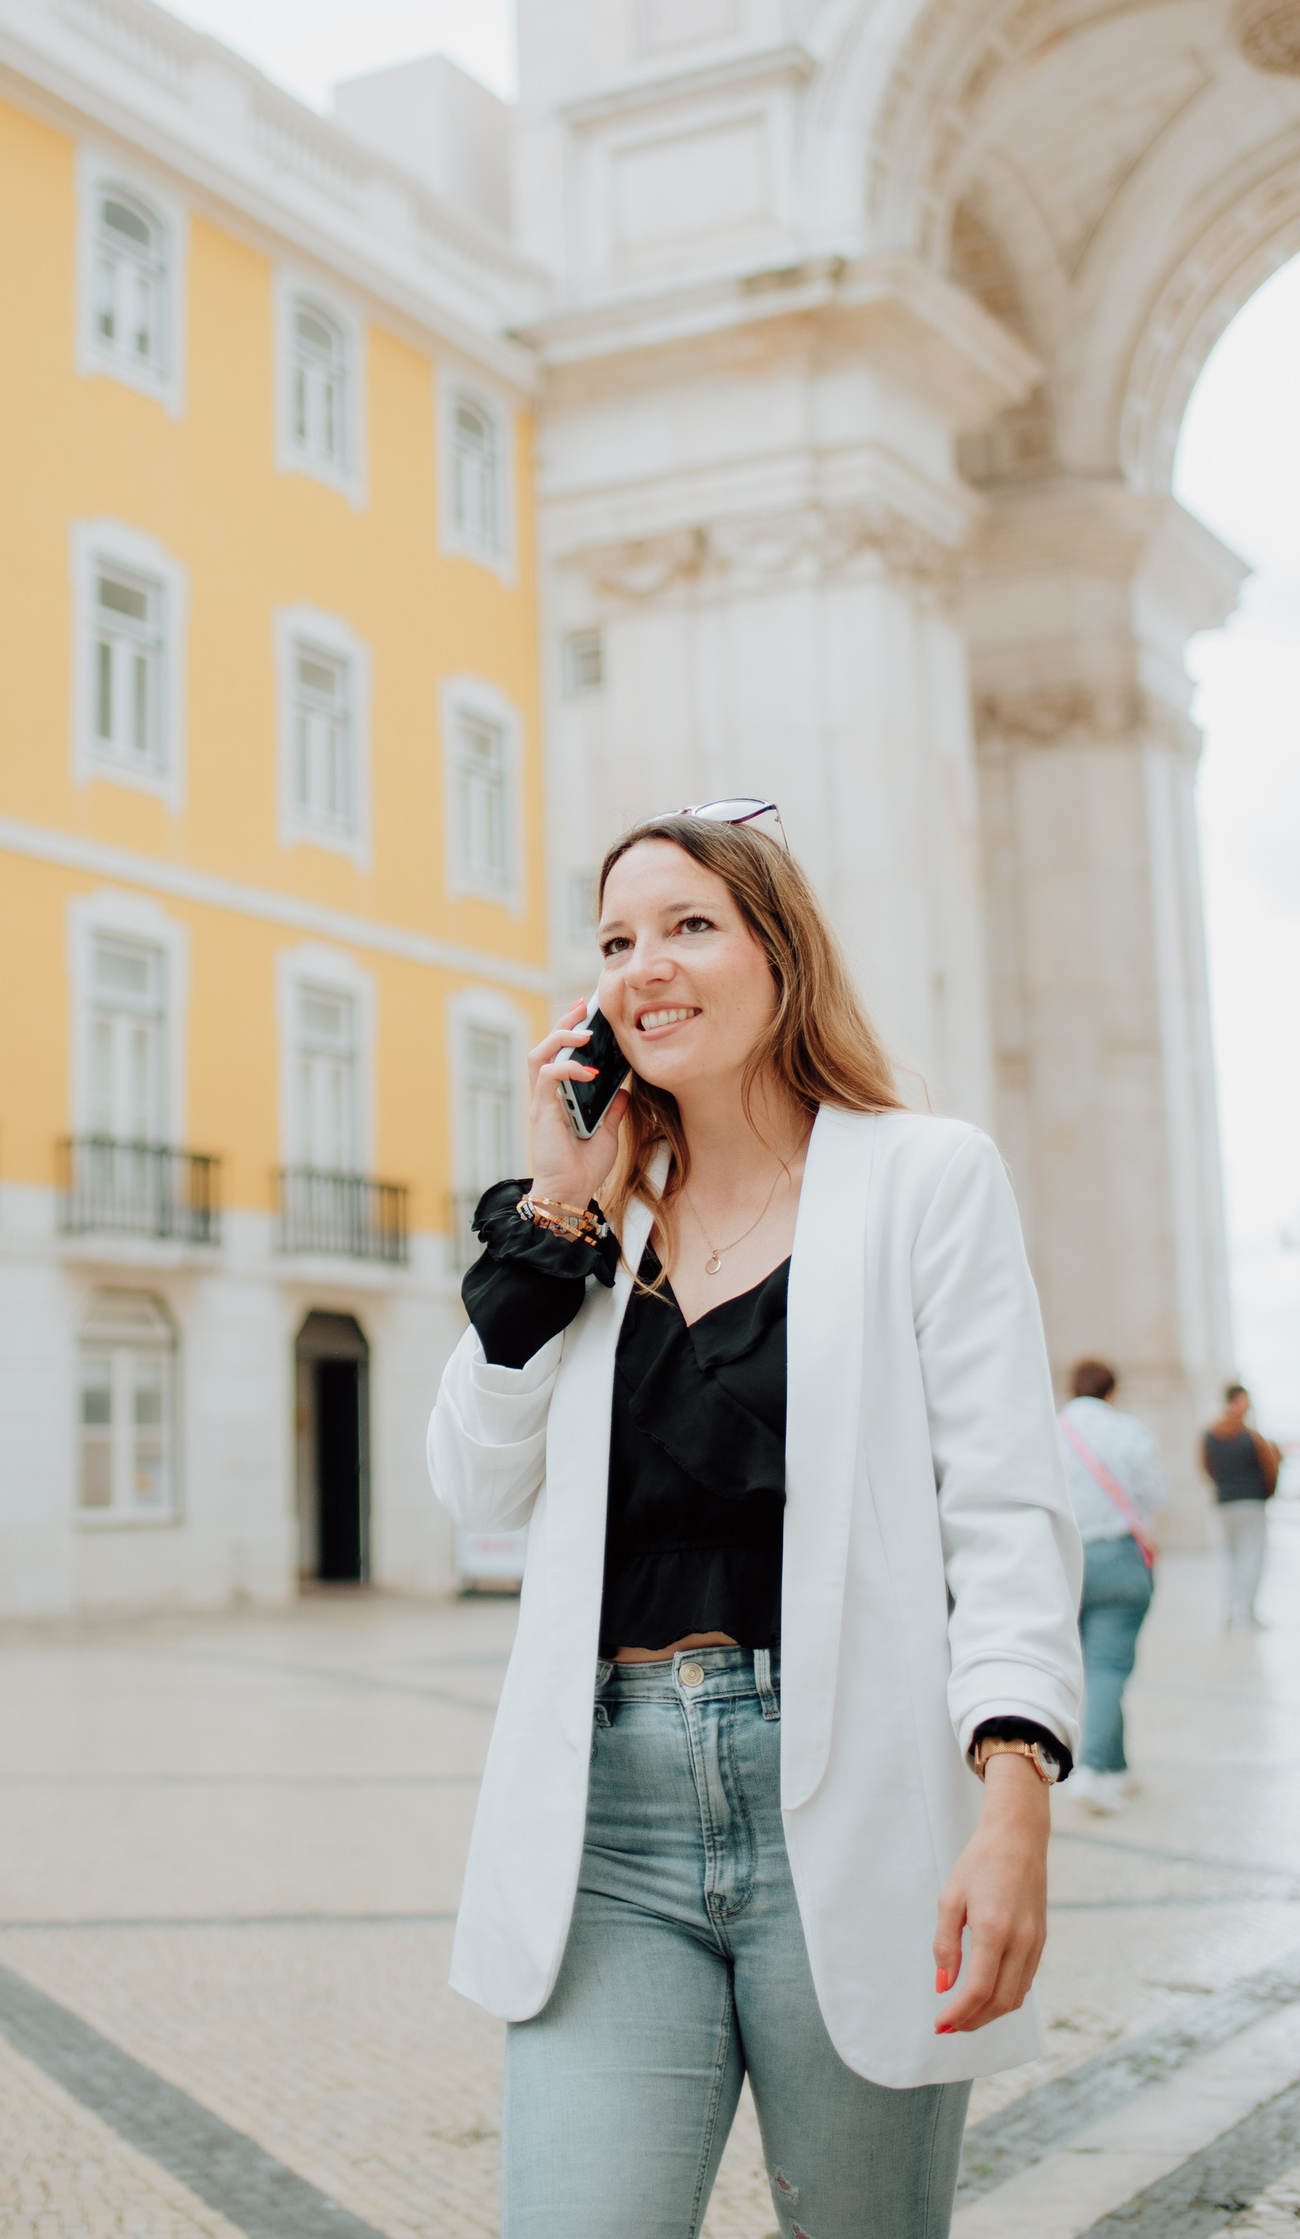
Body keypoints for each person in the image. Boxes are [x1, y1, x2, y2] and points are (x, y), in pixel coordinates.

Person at [429, 804, 1083, 2239]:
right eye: (614, 940)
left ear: (780, 953)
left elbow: (1005, 1515)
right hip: (606, 1828)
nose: (643, 966)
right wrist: (557, 1209)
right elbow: (475, 1486)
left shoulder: (926, 1177)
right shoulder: (595, 1225)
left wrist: (1014, 1802)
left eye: (689, 925)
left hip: (855, 1802)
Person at [1056, 1361, 1168, 1814]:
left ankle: (1117, 1767)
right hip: (1117, 1557)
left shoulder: (1049, 1431)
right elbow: (1155, 1494)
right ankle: (1091, 1770)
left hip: (1063, 1563)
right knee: (1109, 1665)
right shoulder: (1128, 1431)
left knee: (1098, 1665)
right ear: (1112, 1391)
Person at [1201, 1384, 1280, 1629]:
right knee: (1251, 1556)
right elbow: (1270, 1468)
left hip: (1225, 1501)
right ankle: (1247, 1609)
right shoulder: (1251, 1436)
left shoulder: (1210, 1434)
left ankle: (1228, 1609)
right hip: (1251, 1501)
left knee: (1228, 1555)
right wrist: (1267, 1492)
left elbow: (1206, 1466)